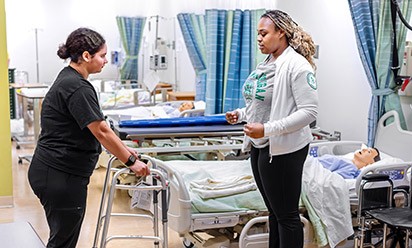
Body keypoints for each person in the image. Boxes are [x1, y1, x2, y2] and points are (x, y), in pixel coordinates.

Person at [27, 28, 150, 248]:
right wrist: (131, 162)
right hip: (60, 175)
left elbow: (99, 125)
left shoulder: (69, 79)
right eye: (102, 56)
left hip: (54, 172)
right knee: (63, 242)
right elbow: (101, 131)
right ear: (86, 56)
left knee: (63, 237)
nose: (105, 61)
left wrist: (124, 149)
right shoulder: (76, 87)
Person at [225, 10, 318, 248]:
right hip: (261, 146)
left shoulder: (297, 66)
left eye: (264, 33)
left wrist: (266, 129)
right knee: (274, 213)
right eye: (258, 34)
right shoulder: (268, 62)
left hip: (284, 149)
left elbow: (309, 112)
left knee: (286, 216)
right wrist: (241, 115)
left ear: (281, 33)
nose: (259, 38)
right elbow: (264, 104)